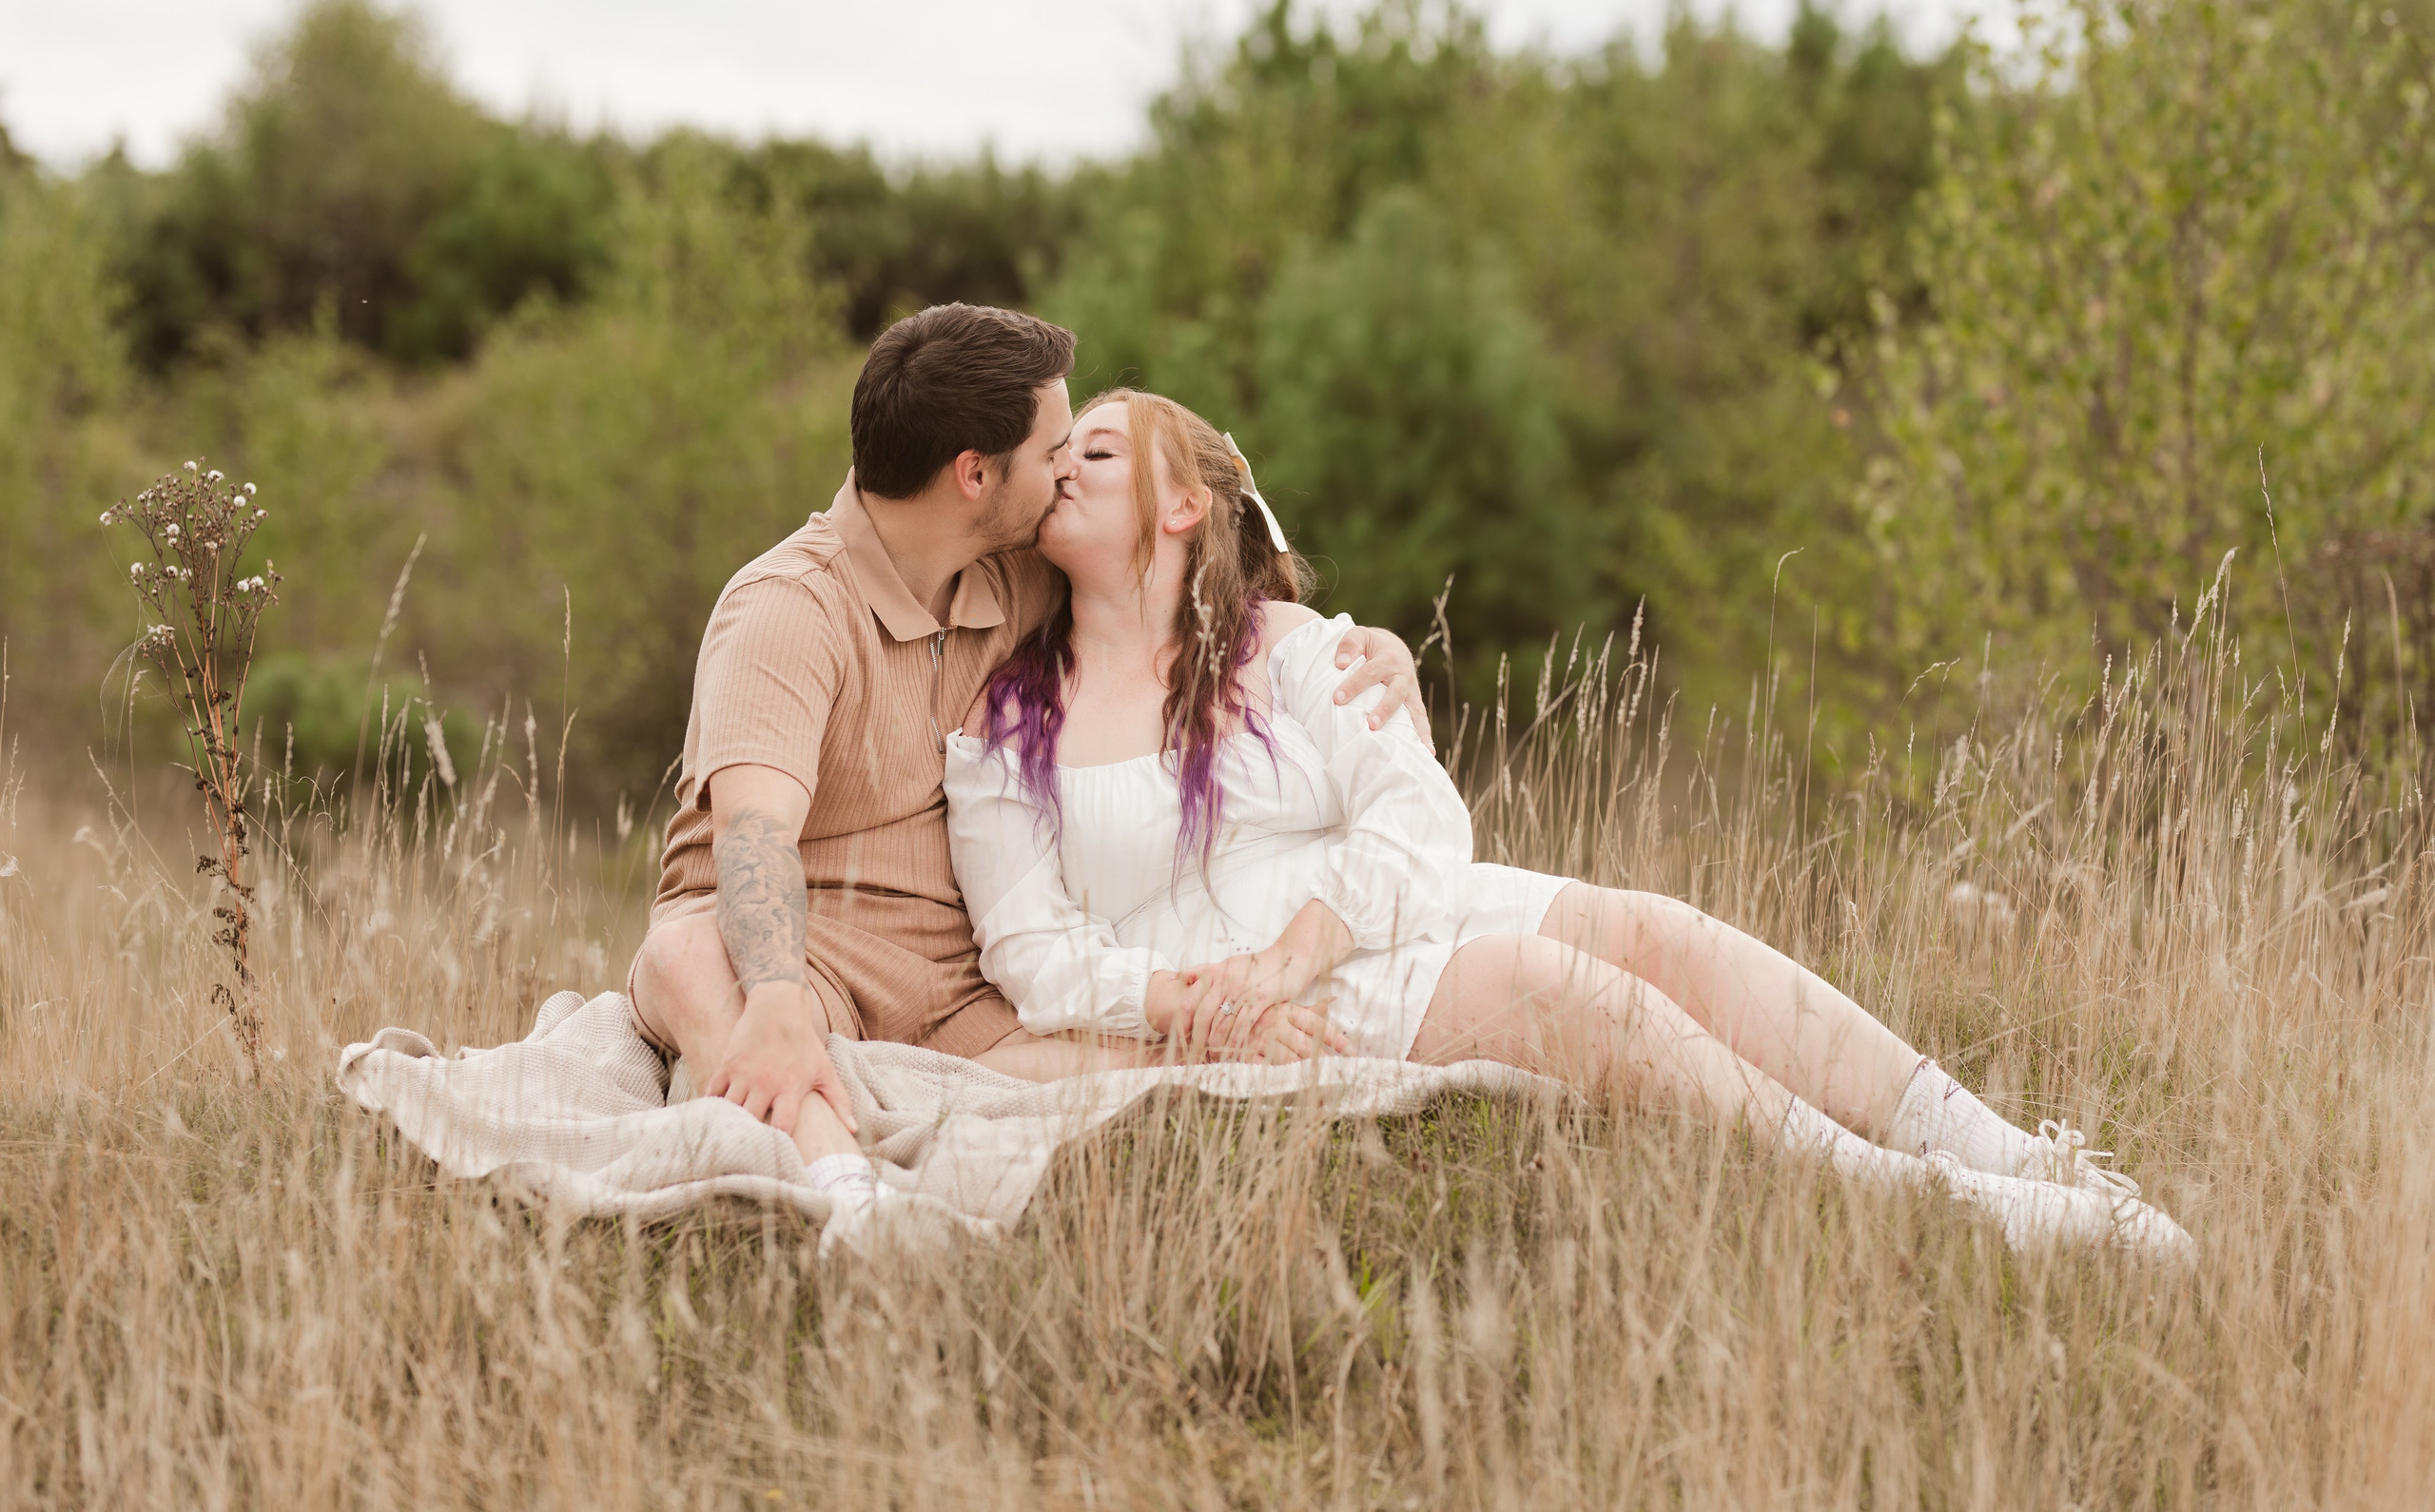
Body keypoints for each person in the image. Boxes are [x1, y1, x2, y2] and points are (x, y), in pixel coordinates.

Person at [943, 388, 2194, 1261]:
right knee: (1556, 984)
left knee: (1654, 930)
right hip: (1234, 994)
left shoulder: (1299, 653)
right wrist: (1194, 999)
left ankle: (2012, 1148)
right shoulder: (1006, 730)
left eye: (1097, 452)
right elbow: (1032, 953)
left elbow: (1421, 824)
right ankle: (1923, 1199)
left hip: (1347, 928)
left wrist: (1294, 951)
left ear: (1182, 509)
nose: (1063, 467)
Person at [625, 307, 1429, 1214]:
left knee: (1217, 1057)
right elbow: (753, 831)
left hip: (965, 988)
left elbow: (1188, 576)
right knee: (685, 953)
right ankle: (847, 1192)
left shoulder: (1013, 570)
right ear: (975, 474)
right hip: (811, 956)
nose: (1065, 474)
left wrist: (1360, 645)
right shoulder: (787, 609)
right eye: (1054, 453)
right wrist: (775, 993)